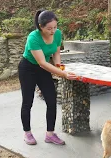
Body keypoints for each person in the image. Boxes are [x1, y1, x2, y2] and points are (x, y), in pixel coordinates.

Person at [18, 10, 77, 145]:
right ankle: (27, 133)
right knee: (28, 102)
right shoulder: (33, 37)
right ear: (40, 26)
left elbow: (56, 53)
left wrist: (59, 67)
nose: (53, 31)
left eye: (55, 27)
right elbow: (42, 62)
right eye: (49, 28)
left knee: (51, 100)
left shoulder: (57, 34)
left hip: (42, 70)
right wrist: (63, 74)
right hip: (28, 68)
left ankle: (50, 134)